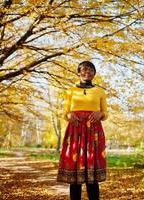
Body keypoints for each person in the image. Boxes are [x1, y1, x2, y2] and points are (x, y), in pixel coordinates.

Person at [57, 61, 108, 200]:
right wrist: (68, 115)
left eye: (91, 70)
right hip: (75, 131)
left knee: (93, 177)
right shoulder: (70, 91)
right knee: (75, 175)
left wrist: (100, 114)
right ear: (79, 73)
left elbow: (106, 113)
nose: (87, 72)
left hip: (94, 132)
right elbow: (65, 111)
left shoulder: (100, 91)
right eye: (84, 70)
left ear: (94, 73)